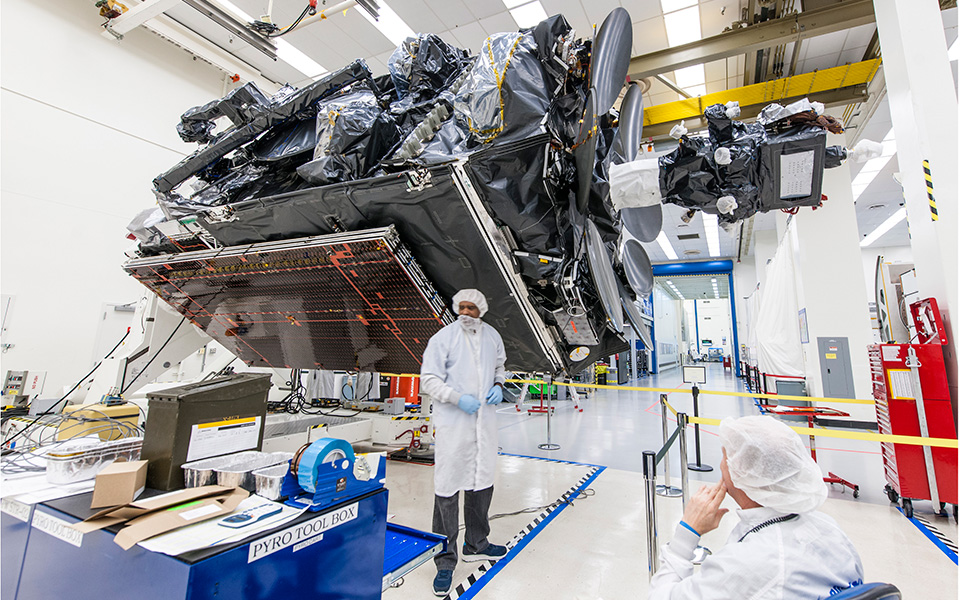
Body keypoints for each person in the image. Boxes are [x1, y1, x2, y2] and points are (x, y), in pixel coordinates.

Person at [649, 415, 864, 599]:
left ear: (740, 472)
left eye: (725, 457)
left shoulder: (747, 564)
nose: (722, 465)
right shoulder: (830, 529)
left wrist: (686, 533)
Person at [420, 289, 508, 597]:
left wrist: (499, 384)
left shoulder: (493, 337)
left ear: (481, 309)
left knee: (482, 483)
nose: (467, 313)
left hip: (485, 424)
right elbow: (429, 379)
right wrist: (457, 398)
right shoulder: (443, 338)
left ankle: (477, 544)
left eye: (472, 308)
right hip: (454, 424)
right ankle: (445, 561)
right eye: (463, 307)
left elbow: (500, 366)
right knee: (447, 490)